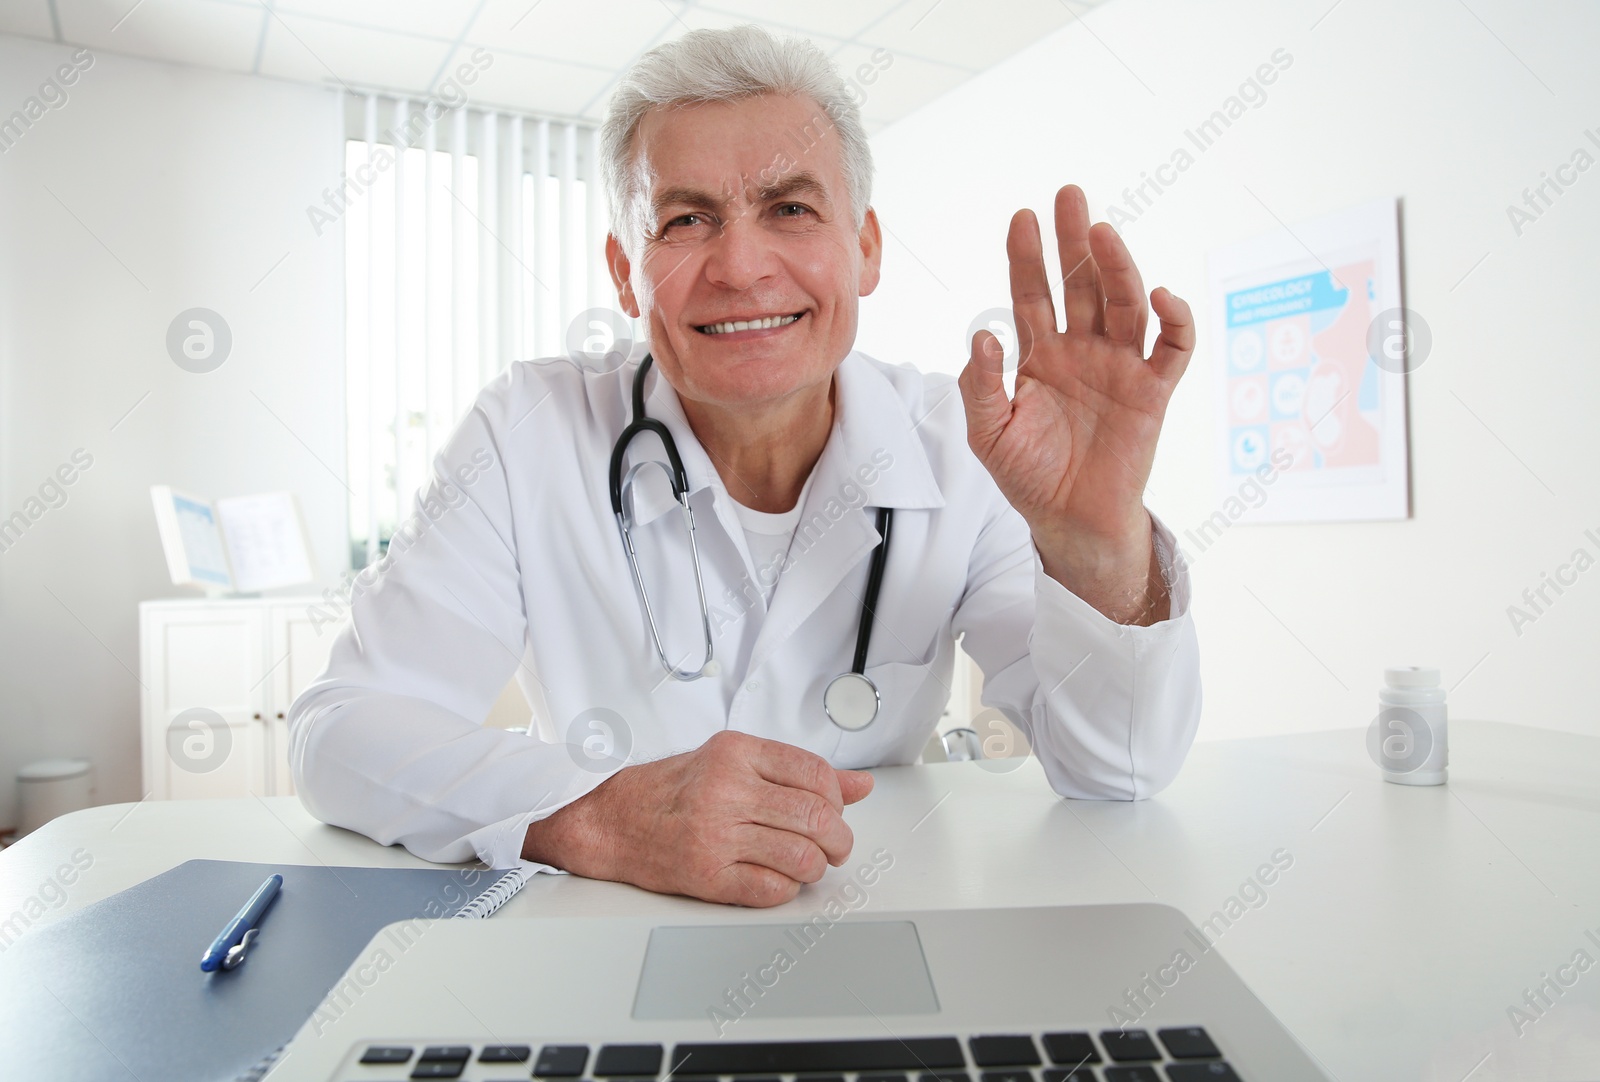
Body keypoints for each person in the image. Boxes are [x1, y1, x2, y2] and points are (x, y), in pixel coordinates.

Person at [288, 24, 1201, 907]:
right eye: (687, 220)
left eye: (790, 209)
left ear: (866, 247)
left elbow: (1117, 768)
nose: (742, 265)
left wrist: (1094, 544)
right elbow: (340, 734)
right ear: (624, 271)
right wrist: (600, 816)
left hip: (874, 922)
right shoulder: (527, 430)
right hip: (603, 931)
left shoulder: (963, 443)